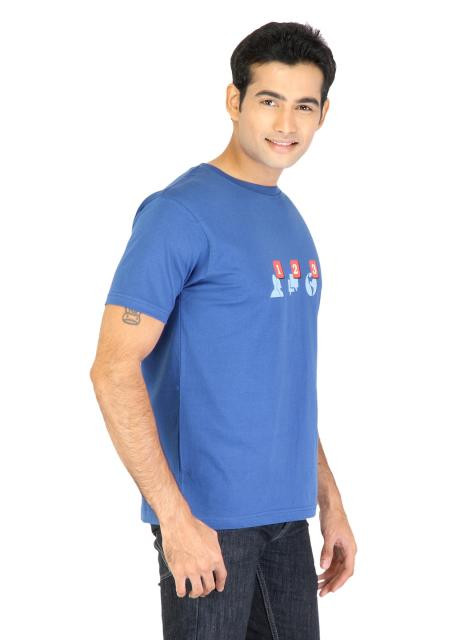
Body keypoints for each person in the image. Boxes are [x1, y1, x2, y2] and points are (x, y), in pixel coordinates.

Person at [90, 20, 357, 639]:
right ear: (234, 100)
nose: (286, 123)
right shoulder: (178, 214)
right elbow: (112, 368)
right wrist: (174, 518)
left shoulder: (291, 221)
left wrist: (328, 497)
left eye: (304, 105)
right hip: (207, 523)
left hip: (287, 520)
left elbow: (280, 379)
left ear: (323, 114)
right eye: (269, 100)